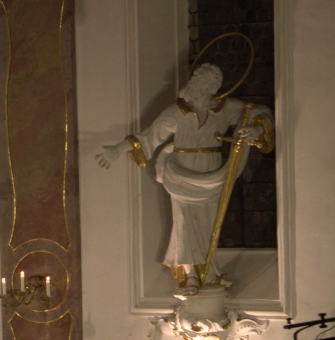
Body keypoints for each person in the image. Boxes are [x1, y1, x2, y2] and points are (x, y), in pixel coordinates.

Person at [96, 63, 274, 294]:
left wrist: (257, 131)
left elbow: (258, 112)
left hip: (211, 172)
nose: (193, 84)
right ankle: (190, 275)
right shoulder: (176, 112)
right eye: (194, 79)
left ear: (212, 87)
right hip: (180, 172)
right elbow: (149, 136)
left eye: (200, 80)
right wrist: (117, 150)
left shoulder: (225, 108)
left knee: (208, 225)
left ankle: (209, 273)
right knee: (183, 223)